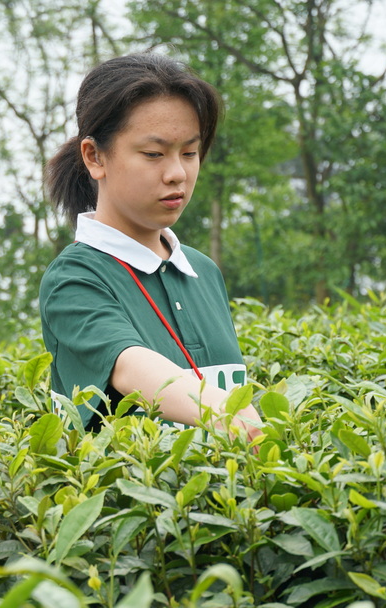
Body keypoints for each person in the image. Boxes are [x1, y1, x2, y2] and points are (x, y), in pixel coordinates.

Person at [40, 53, 262, 439]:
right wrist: (237, 417)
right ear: (95, 157)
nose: (177, 173)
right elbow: (130, 367)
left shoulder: (202, 270)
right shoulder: (74, 278)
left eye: (189, 153)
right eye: (154, 154)